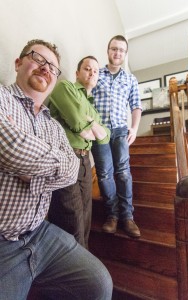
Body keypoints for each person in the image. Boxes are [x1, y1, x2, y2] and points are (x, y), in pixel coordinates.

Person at [0, 39, 113, 300]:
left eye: (51, 66)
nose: (45, 68)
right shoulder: (3, 98)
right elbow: (10, 148)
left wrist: (32, 174)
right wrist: (55, 162)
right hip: (4, 241)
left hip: (40, 233)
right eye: (37, 59)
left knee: (99, 283)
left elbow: (72, 169)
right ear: (18, 63)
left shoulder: (52, 125)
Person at [48, 56, 110, 249]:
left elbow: (105, 137)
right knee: (71, 220)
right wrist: (91, 126)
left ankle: (85, 266)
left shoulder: (92, 107)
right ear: (77, 73)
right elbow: (79, 125)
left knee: (85, 219)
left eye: (96, 71)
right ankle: (78, 273)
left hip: (84, 161)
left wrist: (91, 126)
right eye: (87, 68)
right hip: (66, 157)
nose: (92, 73)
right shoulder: (64, 87)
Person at [92, 35, 142, 238]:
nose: (117, 53)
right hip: (100, 132)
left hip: (121, 130)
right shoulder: (97, 74)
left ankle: (127, 216)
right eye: (114, 49)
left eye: (121, 50)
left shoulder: (130, 79)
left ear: (125, 54)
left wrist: (135, 128)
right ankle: (112, 216)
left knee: (123, 173)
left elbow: (136, 105)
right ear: (108, 50)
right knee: (104, 174)